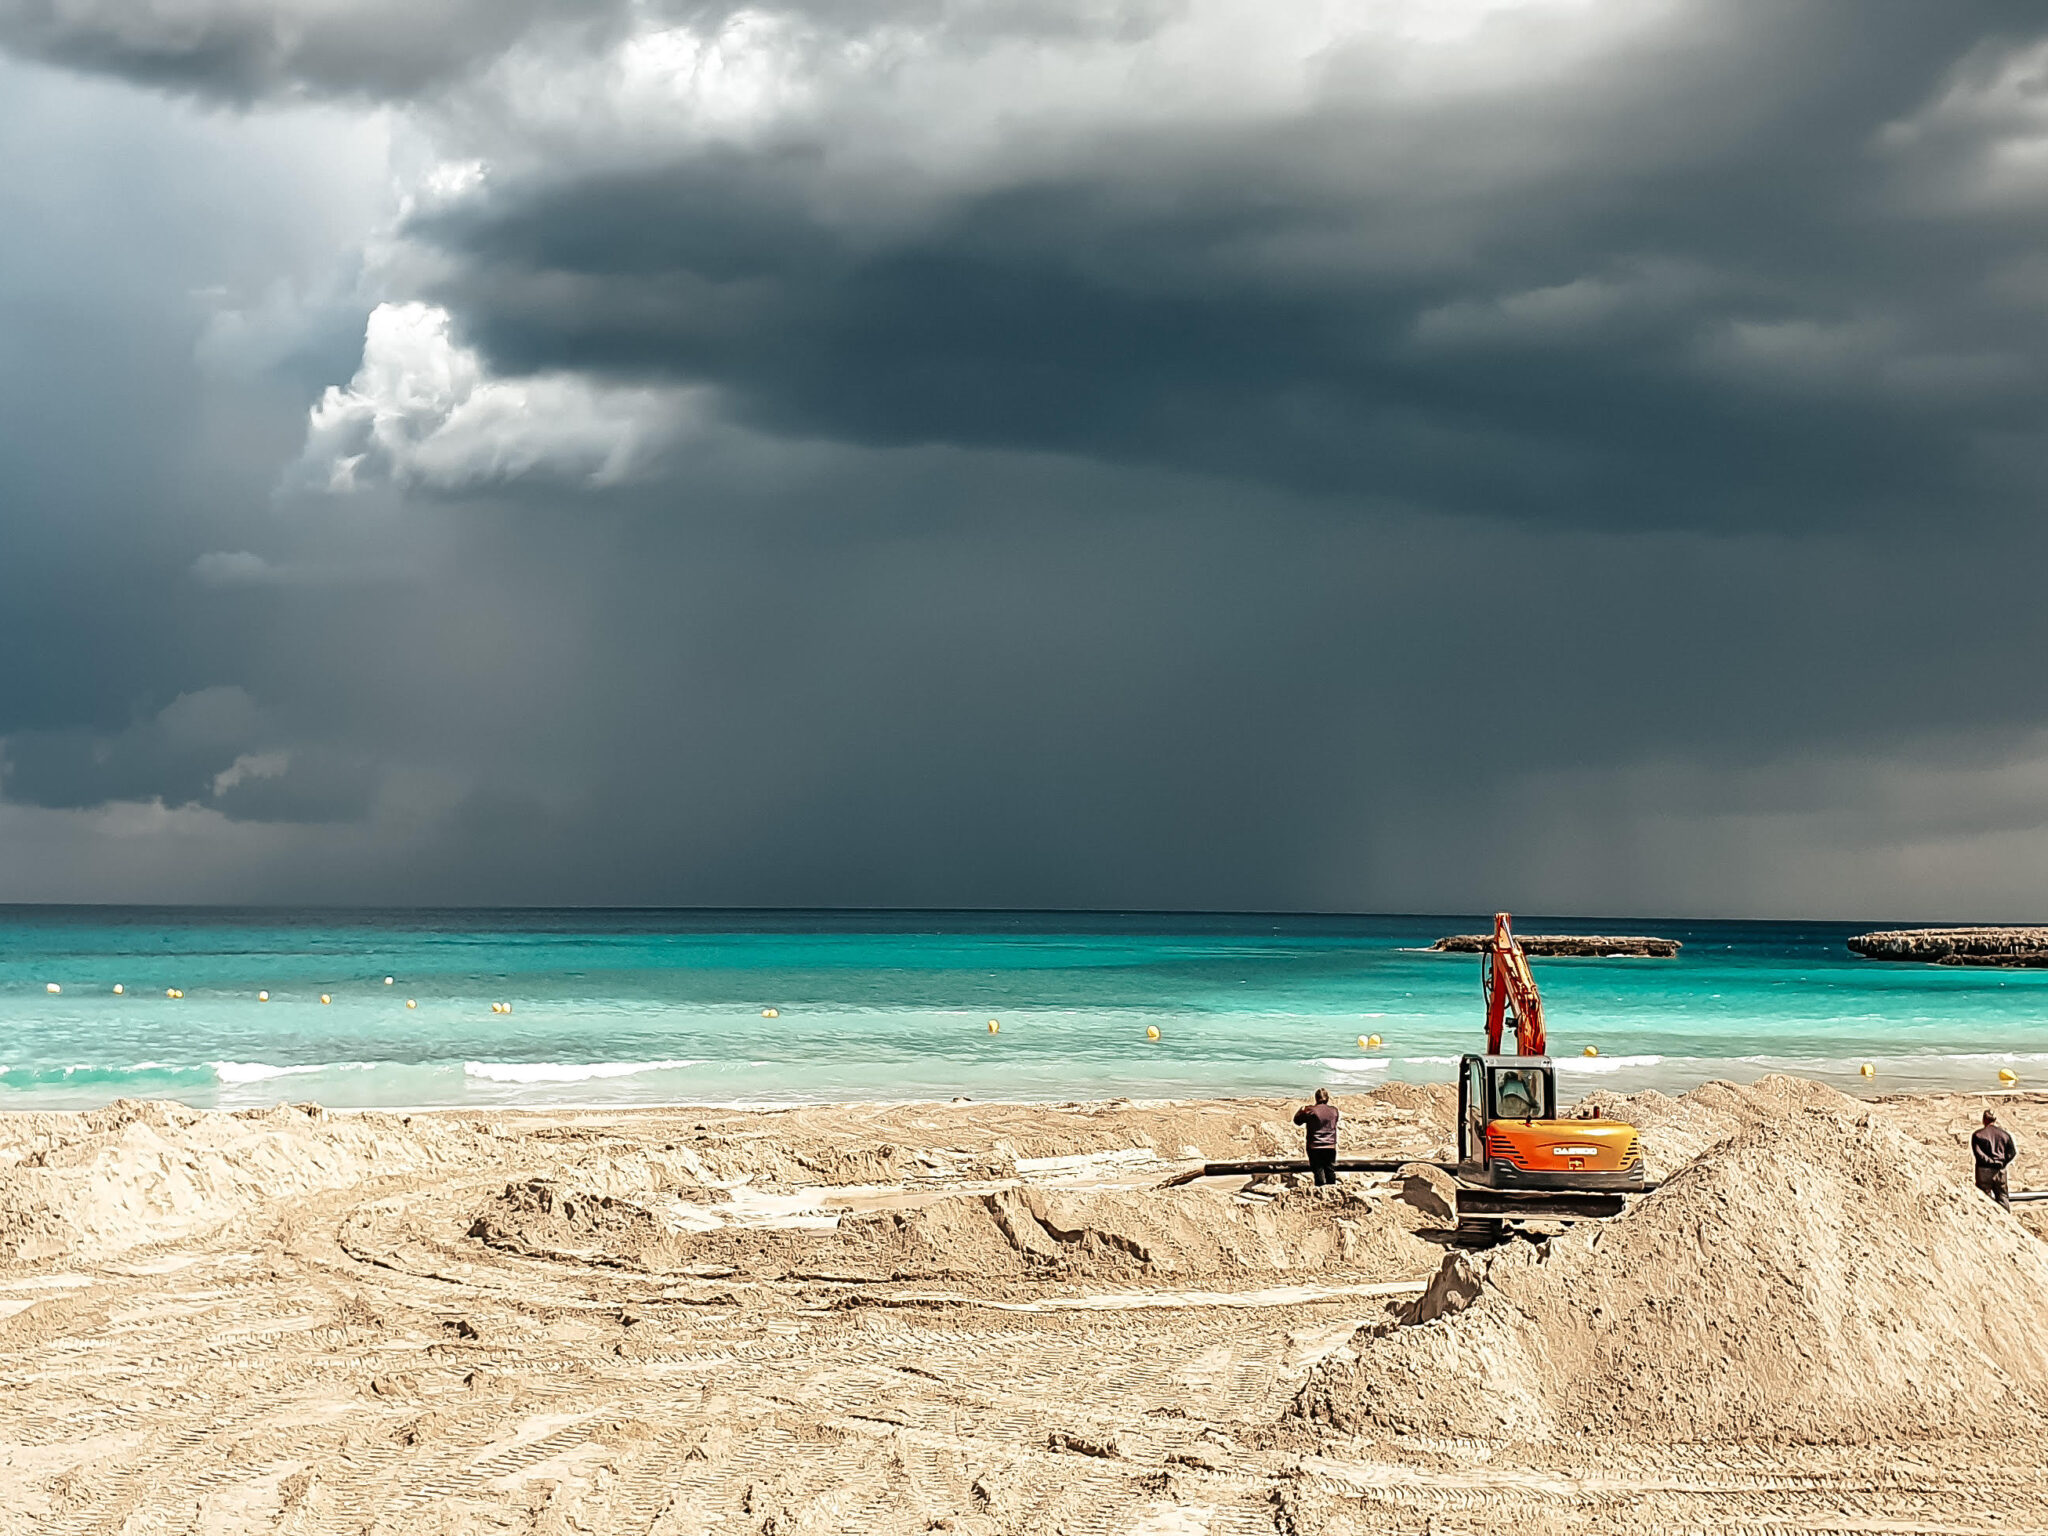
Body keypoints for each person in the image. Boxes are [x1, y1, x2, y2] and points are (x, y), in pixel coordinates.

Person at [1972, 1108, 2017, 1210]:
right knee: (2003, 1197)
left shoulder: (1978, 1135)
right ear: (1995, 1119)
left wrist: (1991, 1162)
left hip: (1984, 1171)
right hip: (2000, 1171)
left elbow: (1979, 1154)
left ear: (1984, 1119)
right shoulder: (2005, 1135)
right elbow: (2012, 1152)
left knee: (1984, 1199)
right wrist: (2002, 1162)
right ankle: (2007, 1222)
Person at [1295, 1087, 1340, 1186]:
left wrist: (1300, 1110)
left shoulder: (1310, 1110)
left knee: (1318, 1171)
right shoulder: (1334, 1111)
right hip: (1330, 1146)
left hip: (1314, 1146)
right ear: (1327, 1098)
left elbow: (1297, 1121)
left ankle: (1321, 1192)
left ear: (1316, 1098)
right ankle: (1332, 1191)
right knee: (1330, 1171)